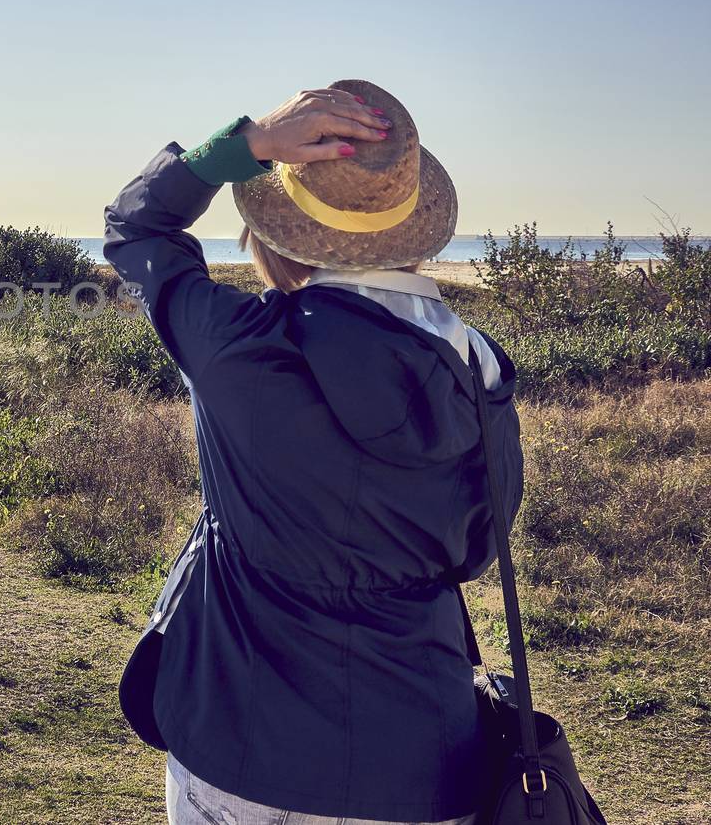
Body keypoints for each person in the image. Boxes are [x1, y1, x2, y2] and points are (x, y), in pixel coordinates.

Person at [104, 81, 523, 825]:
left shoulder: (241, 345)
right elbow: (477, 551)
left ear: (274, 235)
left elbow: (136, 228)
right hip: (426, 768)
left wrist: (245, 146)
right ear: (410, 229)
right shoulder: (479, 370)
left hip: (240, 747)